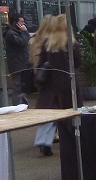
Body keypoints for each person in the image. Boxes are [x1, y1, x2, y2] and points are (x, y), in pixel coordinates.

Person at [33, 15, 81, 156]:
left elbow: (40, 63)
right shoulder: (72, 43)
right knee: (70, 117)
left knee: (50, 117)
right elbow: (78, 63)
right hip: (69, 84)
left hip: (51, 85)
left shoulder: (48, 43)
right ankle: (70, 142)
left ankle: (44, 142)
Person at [4, 12, 31, 105]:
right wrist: (25, 32)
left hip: (22, 64)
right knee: (18, 86)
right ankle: (17, 105)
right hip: (17, 65)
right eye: (22, 22)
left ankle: (22, 104)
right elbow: (22, 42)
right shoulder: (11, 34)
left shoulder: (17, 33)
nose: (24, 24)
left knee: (22, 86)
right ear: (16, 23)